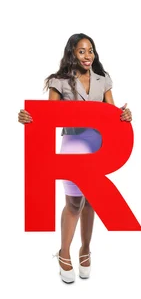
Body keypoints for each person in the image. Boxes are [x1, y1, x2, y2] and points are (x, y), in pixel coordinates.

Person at [17, 33, 133, 284]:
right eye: (82, 51)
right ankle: (64, 252)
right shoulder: (59, 81)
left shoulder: (103, 80)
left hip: (99, 148)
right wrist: (29, 117)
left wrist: (124, 116)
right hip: (73, 146)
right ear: (72, 53)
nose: (87, 55)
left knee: (92, 201)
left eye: (90, 50)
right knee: (73, 203)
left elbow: (113, 115)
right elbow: (49, 117)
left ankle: (85, 249)